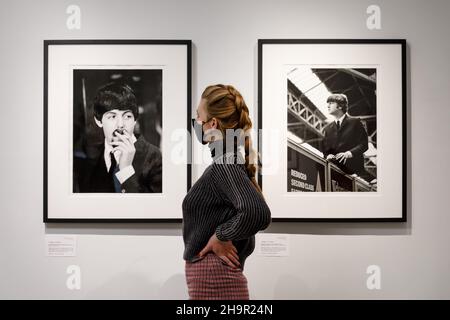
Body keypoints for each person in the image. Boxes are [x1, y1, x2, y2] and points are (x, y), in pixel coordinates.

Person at [182, 84, 271, 300]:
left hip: (214, 276)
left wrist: (220, 236)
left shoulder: (225, 163)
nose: (196, 123)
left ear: (212, 123)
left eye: (198, 116)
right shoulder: (228, 161)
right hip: (214, 275)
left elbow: (257, 213)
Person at [74, 82, 162, 193]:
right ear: (99, 121)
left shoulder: (155, 157)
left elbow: (154, 208)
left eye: (127, 116)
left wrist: (126, 171)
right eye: (112, 116)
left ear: (135, 120)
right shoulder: (90, 161)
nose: (120, 124)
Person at [322, 93, 369, 178]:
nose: (328, 105)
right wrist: (327, 155)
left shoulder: (355, 122)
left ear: (340, 106)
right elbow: (326, 150)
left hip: (356, 174)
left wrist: (348, 153)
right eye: (327, 103)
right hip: (335, 172)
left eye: (331, 103)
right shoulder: (327, 129)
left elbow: (364, 144)